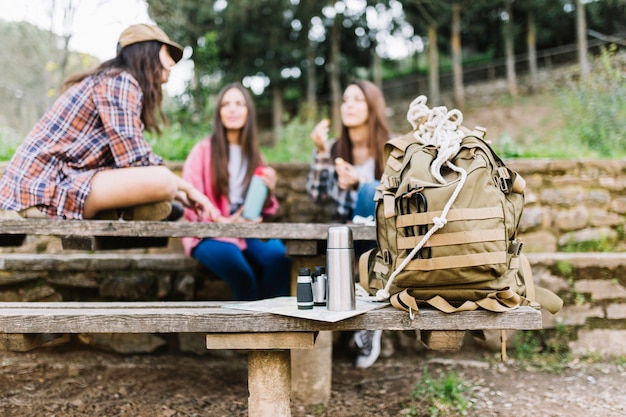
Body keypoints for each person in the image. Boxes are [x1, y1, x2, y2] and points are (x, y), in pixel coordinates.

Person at [0, 24, 219, 222]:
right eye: (167, 53)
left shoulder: (113, 81)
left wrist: (177, 192)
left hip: (51, 184)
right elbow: (134, 160)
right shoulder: (118, 81)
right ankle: (126, 208)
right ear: (147, 51)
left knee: (165, 186)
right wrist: (187, 189)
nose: (172, 62)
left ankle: (120, 209)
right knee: (164, 181)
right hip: (40, 189)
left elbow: (124, 163)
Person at [306, 79, 392, 369]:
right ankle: (367, 307)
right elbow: (316, 196)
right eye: (345, 100)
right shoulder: (333, 149)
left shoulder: (392, 148)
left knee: (370, 191)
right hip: (346, 234)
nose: (350, 105)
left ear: (372, 106)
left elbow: (401, 195)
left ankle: (361, 295)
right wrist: (320, 153)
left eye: (357, 99)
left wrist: (361, 182)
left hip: (384, 237)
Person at [181, 83, 291, 301]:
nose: (232, 109)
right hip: (208, 232)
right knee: (242, 273)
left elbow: (266, 210)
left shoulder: (255, 156)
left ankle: (277, 328)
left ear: (248, 112)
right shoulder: (202, 151)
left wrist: (268, 190)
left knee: (279, 257)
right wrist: (222, 221)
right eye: (226, 104)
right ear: (219, 113)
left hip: (245, 229)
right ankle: (247, 333)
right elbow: (189, 201)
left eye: (239, 104)